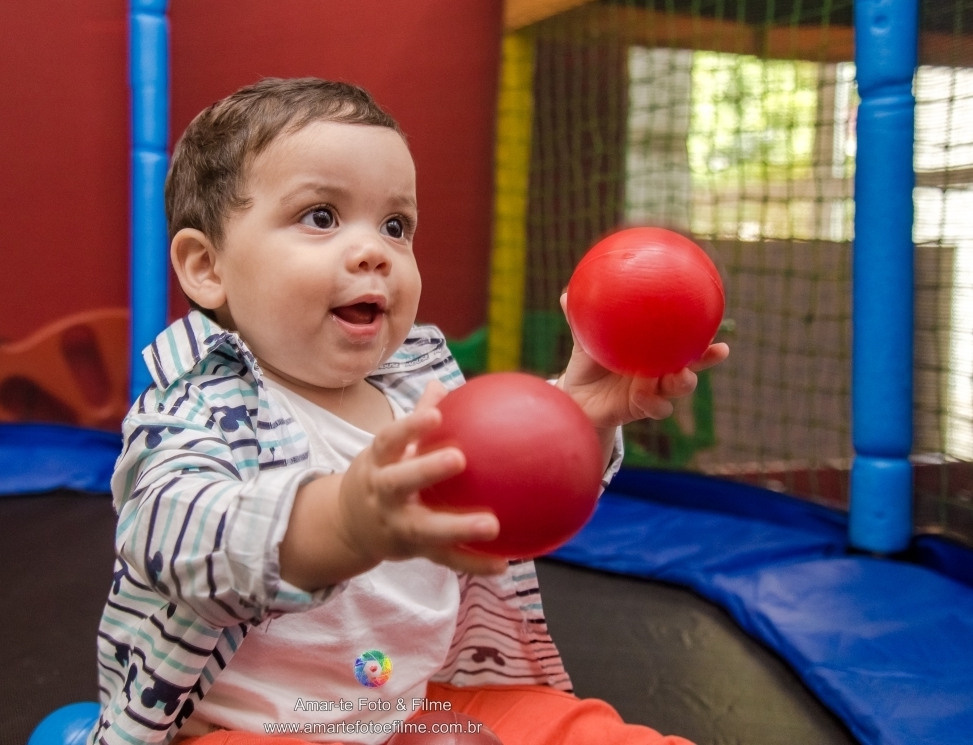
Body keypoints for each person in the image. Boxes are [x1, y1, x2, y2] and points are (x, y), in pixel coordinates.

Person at [90, 78, 727, 745]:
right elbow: (179, 538)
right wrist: (345, 521)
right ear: (206, 267)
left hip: (414, 704)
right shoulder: (196, 409)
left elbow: (510, 497)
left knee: (586, 732)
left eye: (396, 225)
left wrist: (583, 416)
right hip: (256, 727)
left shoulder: (417, 395)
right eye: (321, 216)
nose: (375, 251)